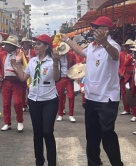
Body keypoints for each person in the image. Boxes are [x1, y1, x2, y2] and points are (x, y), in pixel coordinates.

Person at [61, 16, 123, 166]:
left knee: (107, 134)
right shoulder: (93, 46)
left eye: (97, 27)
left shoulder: (112, 45)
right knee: (92, 136)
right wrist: (67, 40)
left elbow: (115, 55)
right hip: (91, 98)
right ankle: (94, 163)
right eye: (93, 27)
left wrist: (105, 43)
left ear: (106, 30)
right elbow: (82, 52)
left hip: (107, 100)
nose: (93, 30)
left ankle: (116, 163)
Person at [11, 34, 60, 166]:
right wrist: (17, 66)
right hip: (34, 100)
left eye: (38, 44)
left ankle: (52, 163)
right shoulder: (32, 61)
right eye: (35, 43)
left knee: (47, 132)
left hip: (49, 100)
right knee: (37, 133)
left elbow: (56, 78)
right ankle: (39, 161)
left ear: (46, 46)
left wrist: (55, 63)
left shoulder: (51, 61)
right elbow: (23, 78)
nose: (35, 46)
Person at [0, 35, 25, 132]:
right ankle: (7, 123)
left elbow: (25, 67)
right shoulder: (2, 54)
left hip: (17, 82)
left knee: (17, 102)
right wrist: (0, 74)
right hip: (6, 82)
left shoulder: (20, 55)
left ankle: (20, 121)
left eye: (9, 45)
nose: (7, 46)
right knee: (6, 103)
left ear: (13, 46)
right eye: (6, 44)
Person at [55, 42, 77, 122]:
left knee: (71, 96)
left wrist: (74, 76)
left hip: (68, 78)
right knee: (60, 97)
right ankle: (60, 114)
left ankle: (71, 115)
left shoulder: (71, 55)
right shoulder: (57, 56)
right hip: (60, 78)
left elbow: (75, 67)